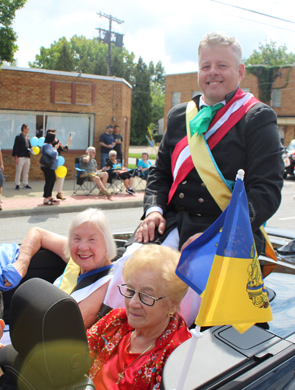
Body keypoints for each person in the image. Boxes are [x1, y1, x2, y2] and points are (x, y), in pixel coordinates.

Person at [105, 32, 284, 325]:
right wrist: (153, 210)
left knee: (195, 306)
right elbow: (160, 174)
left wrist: (219, 236)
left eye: (222, 65)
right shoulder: (180, 116)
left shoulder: (257, 117)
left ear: (239, 71)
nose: (213, 72)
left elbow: (266, 191)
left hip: (225, 233)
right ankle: (120, 349)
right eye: (206, 66)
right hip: (174, 223)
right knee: (128, 271)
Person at [87, 245, 190, 390]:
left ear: (173, 304)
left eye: (146, 295)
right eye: (130, 290)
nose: (133, 303)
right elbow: (76, 355)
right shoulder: (116, 320)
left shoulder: (179, 355)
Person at [10, 208, 117, 329]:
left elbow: (68, 328)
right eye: (77, 238)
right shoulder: (76, 260)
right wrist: (22, 262)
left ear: (107, 244)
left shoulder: (110, 280)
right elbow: (37, 233)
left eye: (92, 240)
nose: (82, 247)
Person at [47, 129, 72, 200]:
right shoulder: (47, 143)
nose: (53, 135)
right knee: (51, 180)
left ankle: (59, 193)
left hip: (57, 163)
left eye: (54, 134)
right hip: (50, 163)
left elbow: (64, 149)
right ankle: (49, 196)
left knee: (61, 177)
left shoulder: (57, 142)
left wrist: (69, 142)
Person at [41, 132, 59, 205]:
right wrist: (55, 148)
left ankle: (49, 196)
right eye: (54, 138)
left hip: (51, 167)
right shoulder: (47, 146)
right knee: (48, 182)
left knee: (52, 180)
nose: (55, 139)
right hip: (48, 167)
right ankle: (45, 199)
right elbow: (52, 155)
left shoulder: (49, 145)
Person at [12, 124, 31, 190]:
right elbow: (16, 147)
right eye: (27, 128)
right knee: (19, 171)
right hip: (20, 156)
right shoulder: (18, 137)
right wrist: (16, 156)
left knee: (26, 171)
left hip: (27, 156)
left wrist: (32, 150)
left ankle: (25, 184)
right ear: (24, 129)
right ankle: (17, 184)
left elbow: (28, 147)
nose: (28, 130)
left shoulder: (28, 138)